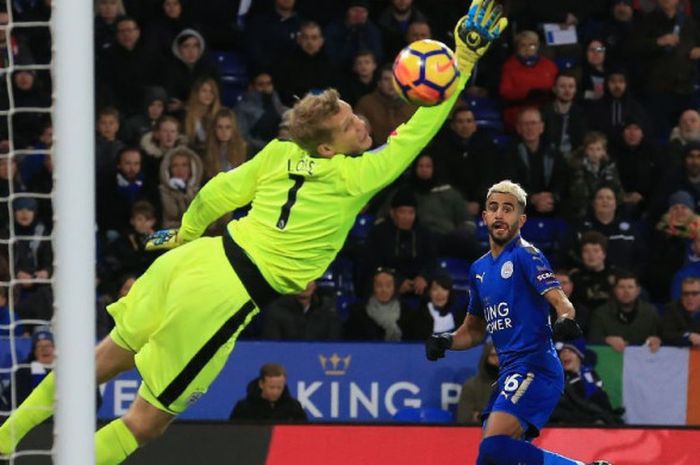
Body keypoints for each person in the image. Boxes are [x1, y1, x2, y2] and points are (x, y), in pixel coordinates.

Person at [0, 2, 508, 462]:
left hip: (192, 261)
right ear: (328, 149)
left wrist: (184, 235)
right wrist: (462, 62)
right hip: (223, 296)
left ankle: (7, 435)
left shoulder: (279, 153)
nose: (362, 125)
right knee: (147, 422)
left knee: (102, 359)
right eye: (352, 123)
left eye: (355, 115)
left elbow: (219, 192)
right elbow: (418, 131)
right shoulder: (357, 178)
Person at [425, 180, 610, 465]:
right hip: (508, 374)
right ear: (484, 216)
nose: (499, 214)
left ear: (521, 219)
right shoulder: (479, 270)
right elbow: (473, 331)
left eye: (508, 209)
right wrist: (446, 340)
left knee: (493, 449)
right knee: (491, 460)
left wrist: (564, 320)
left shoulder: (526, 254)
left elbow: (563, 303)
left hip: (535, 367)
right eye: (493, 208)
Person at [549, 338, 622, 426]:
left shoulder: (589, 374)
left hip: (588, 420)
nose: (565, 355)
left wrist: (609, 413)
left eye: (570, 351)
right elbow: (578, 403)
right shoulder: (559, 379)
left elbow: (600, 397)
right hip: (566, 425)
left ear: (579, 355)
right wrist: (604, 415)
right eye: (562, 352)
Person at [588, 271, 662, 353]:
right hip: (612, 360)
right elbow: (592, 341)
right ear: (615, 290)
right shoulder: (600, 314)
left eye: (630, 287)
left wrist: (656, 340)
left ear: (638, 291)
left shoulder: (651, 312)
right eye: (621, 287)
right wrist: (606, 340)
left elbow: (660, 336)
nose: (626, 291)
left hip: (643, 361)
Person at [261, 281, 342, 341]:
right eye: (302, 280)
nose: (305, 285)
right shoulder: (276, 310)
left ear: (315, 285)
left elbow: (334, 345)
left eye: (309, 280)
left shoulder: (327, 310)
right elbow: (271, 347)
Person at [228, 363, 307, 423]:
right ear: (261, 384)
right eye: (271, 387)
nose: (275, 392)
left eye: (279, 387)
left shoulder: (294, 407)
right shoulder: (244, 408)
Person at [456, 342, 498, 424]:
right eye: (493, 355)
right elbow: (464, 418)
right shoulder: (471, 385)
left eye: (501, 355)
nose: (498, 360)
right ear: (485, 358)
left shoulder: (513, 384)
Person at [662, 276, 700, 346]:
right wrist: (688, 336)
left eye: (695, 293)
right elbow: (666, 334)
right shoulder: (672, 309)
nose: (690, 297)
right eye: (686, 294)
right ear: (681, 295)